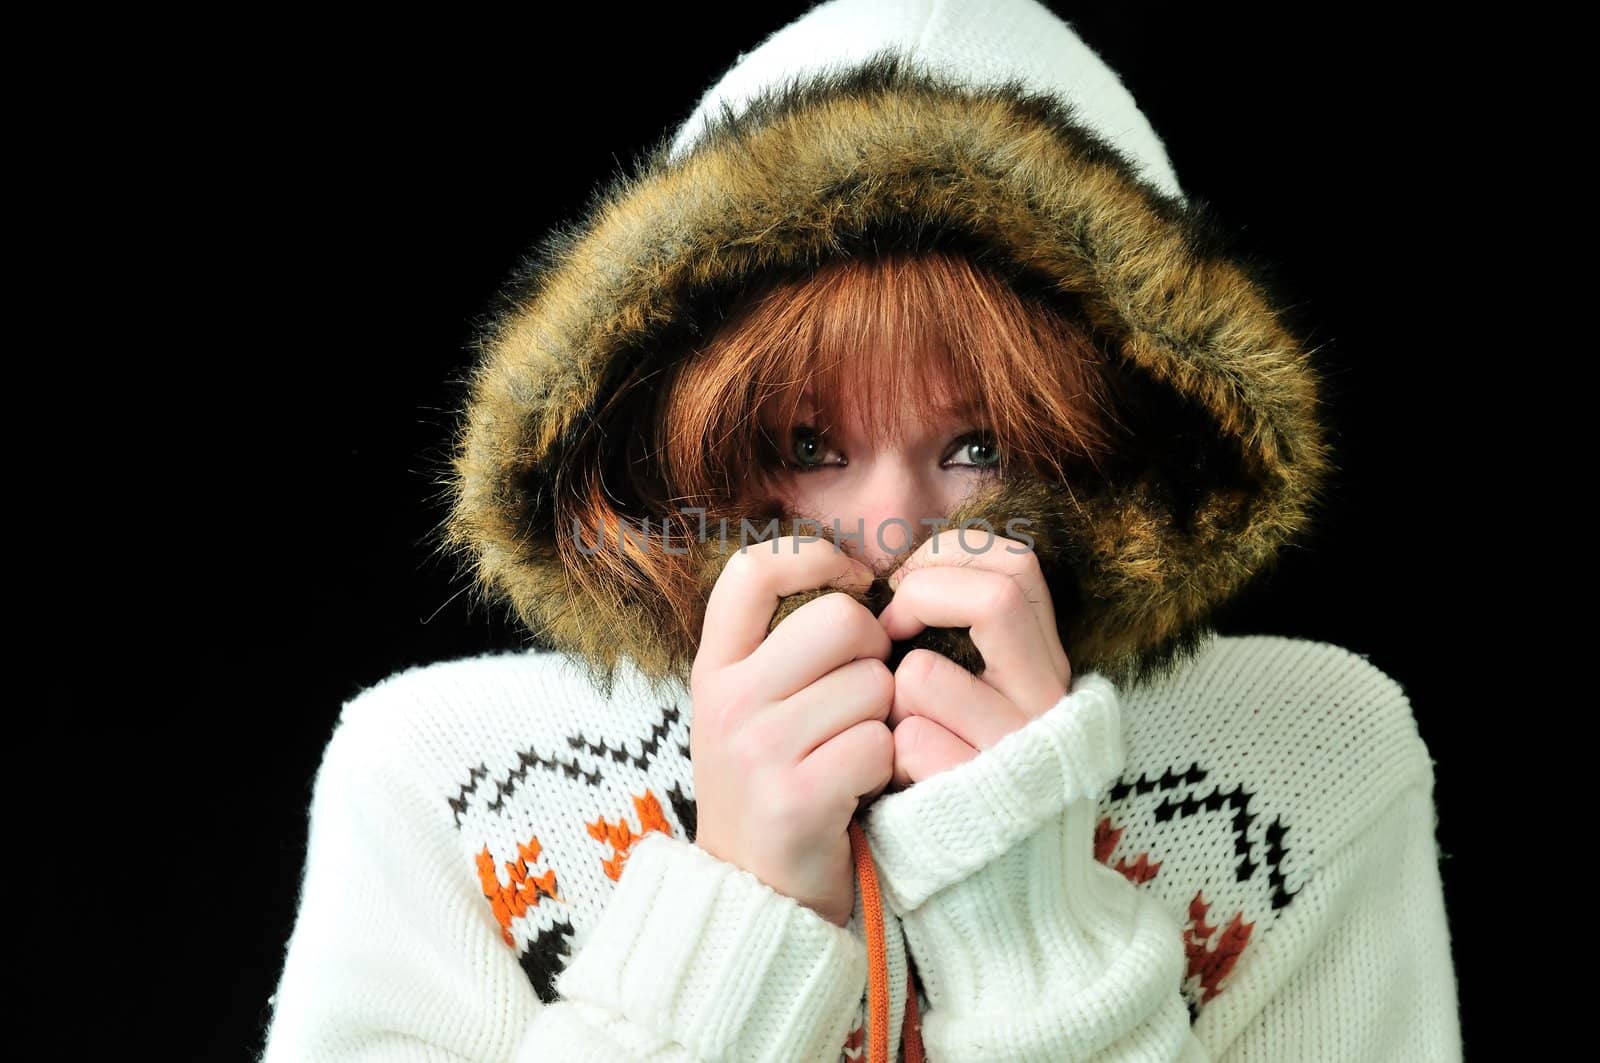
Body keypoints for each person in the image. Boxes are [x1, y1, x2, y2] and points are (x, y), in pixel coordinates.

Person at [259, 1, 1463, 1060]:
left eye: (979, 445)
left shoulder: (1309, 760)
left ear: (1121, 451)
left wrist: (1027, 925)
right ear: (670, 441)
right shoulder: (443, 775)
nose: (889, 528)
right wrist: (735, 916)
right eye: (804, 446)